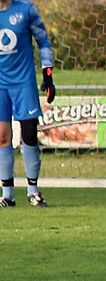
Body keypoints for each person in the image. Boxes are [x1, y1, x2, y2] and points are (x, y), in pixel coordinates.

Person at [0, 0, 55, 209]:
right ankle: (7, 195)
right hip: (0, 85)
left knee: (30, 133)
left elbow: (43, 41)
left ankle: (33, 191)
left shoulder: (26, 10)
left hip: (24, 82)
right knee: (2, 137)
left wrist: (47, 74)